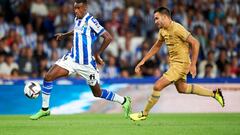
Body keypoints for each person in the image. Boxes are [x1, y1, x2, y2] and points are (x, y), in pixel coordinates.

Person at [30, 0, 131, 120]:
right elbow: (77, 31)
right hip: (72, 59)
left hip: (87, 64)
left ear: (85, 8)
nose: (76, 11)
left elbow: (108, 37)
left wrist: (98, 54)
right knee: (48, 77)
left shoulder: (91, 21)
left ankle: (124, 101)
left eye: (78, 8)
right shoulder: (77, 19)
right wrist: (65, 35)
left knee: (97, 93)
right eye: (74, 8)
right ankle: (45, 109)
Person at [130, 7, 224, 121]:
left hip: (181, 64)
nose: (155, 21)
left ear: (165, 17)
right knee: (182, 88)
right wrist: (143, 60)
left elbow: (195, 43)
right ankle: (214, 94)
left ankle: (144, 114)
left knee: (157, 86)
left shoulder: (177, 28)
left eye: (156, 18)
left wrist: (193, 64)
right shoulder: (162, 30)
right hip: (175, 64)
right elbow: (157, 46)